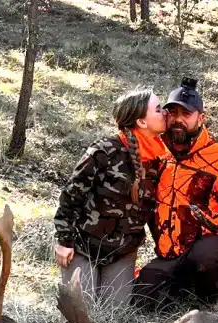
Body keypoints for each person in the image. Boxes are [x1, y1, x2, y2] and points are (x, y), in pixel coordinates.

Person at [132, 78, 218, 309]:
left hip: (209, 243)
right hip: (170, 250)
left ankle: (210, 295)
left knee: (206, 259)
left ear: (200, 118)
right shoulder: (156, 152)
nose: (178, 120)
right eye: (172, 113)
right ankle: (181, 286)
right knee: (142, 299)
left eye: (186, 114)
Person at [53, 87, 169, 306]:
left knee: (114, 313)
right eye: (158, 109)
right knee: (82, 309)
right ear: (142, 122)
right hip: (82, 246)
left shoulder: (161, 160)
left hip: (121, 252)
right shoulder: (103, 152)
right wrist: (64, 241)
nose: (165, 113)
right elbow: (71, 196)